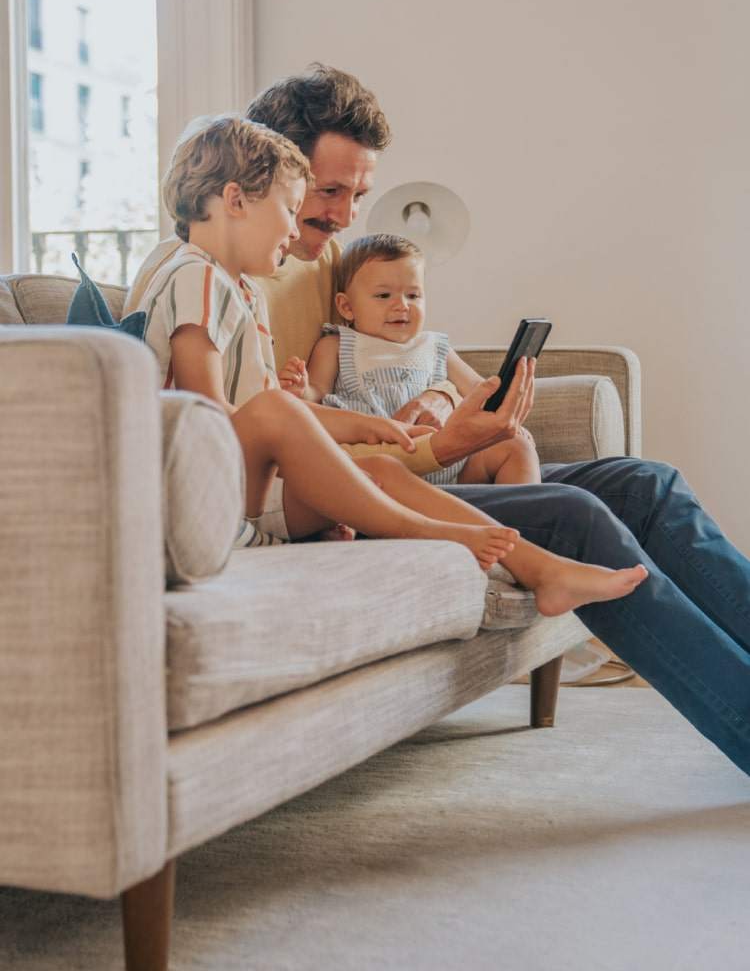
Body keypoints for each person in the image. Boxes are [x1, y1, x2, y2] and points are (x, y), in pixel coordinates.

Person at [126, 65, 750, 778]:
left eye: (356, 194)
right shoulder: (215, 272)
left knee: (647, 484)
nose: (342, 215)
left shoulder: (324, 261)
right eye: (327, 193)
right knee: (575, 516)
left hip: (382, 463)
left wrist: (448, 410)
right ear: (263, 177)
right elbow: (269, 430)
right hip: (343, 488)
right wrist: (433, 452)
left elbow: (409, 360)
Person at [134, 113, 648, 616]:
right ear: (235, 199)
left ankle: (542, 569)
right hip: (195, 492)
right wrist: (316, 455)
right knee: (279, 411)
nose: (295, 230)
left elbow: (278, 415)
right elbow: (206, 416)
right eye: (290, 209)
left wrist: (373, 428)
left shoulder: (242, 291)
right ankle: (435, 532)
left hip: (240, 484)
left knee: (378, 468)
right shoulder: (192, 276)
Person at [279, 233, 541, 489]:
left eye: (413, 295)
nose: (402, 305)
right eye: (384, 296)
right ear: (347, 307)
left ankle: (520, 521)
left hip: (452, 465)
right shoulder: (337, 344)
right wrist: (301, 389)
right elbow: (316, 394)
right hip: (385, 470)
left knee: (516, 447)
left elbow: (479, 389)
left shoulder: (436, 346)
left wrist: (510, 414)